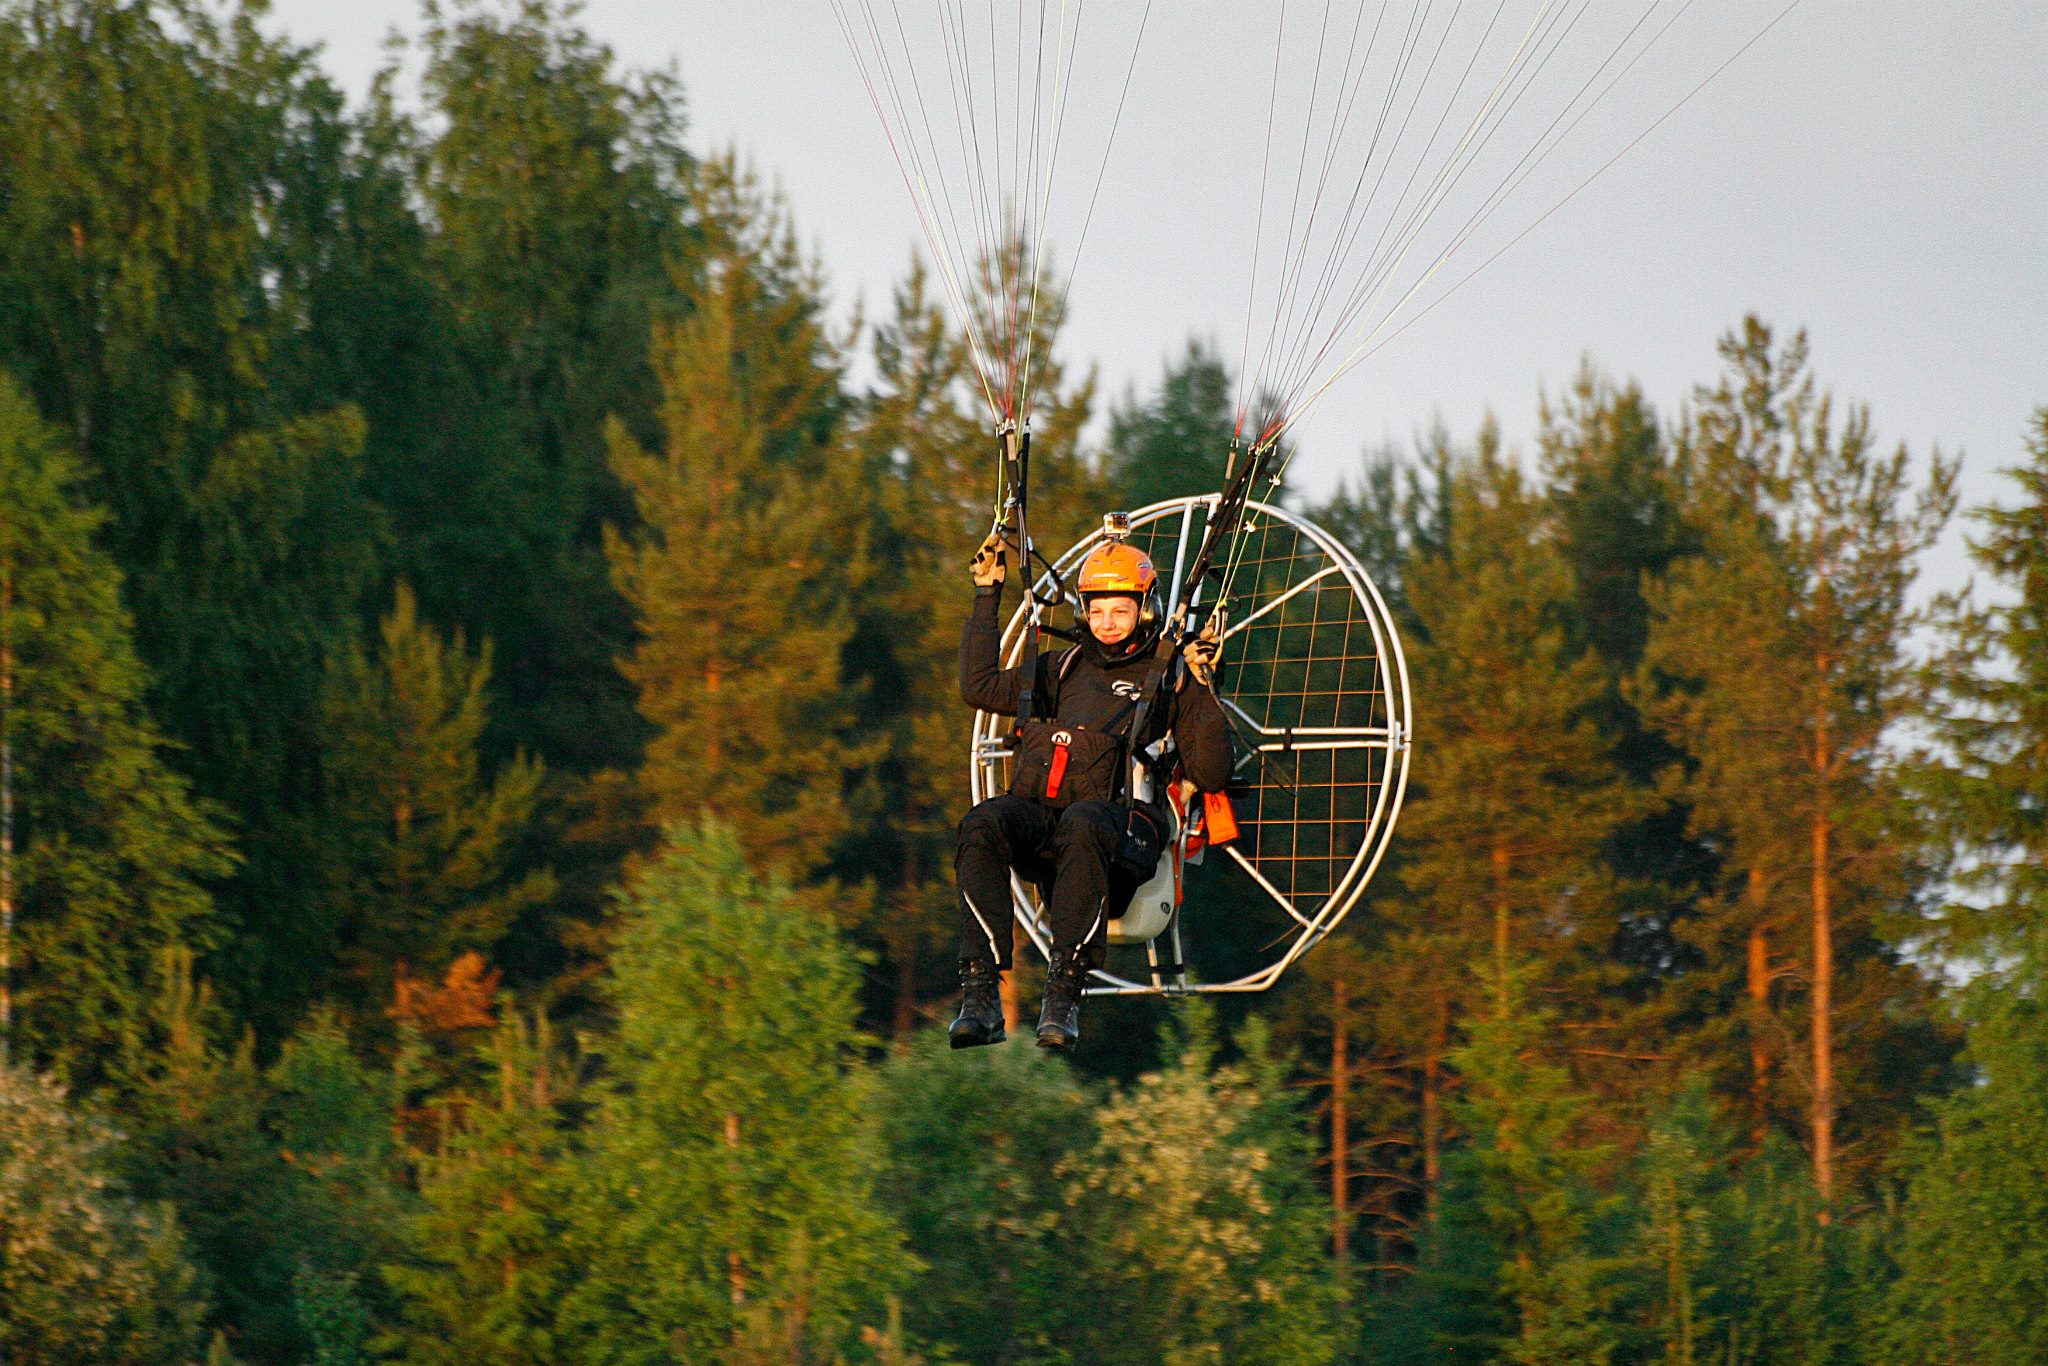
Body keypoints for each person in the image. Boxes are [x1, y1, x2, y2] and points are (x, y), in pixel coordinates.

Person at [951, 523, 1234, 1050]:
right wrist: (987, 596)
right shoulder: (1062, 668)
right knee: (983, 822)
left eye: (1120, 611)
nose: (1107, 623)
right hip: (1055, 828)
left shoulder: (1171, 674)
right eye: (1097, 610)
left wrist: (1202, 688)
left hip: (1129, 835)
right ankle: (981, 993)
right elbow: (979, 687)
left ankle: (1063, 994)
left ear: (1144, 610)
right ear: (1083, 610)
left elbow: (1213, 773)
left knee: (1083, 822)